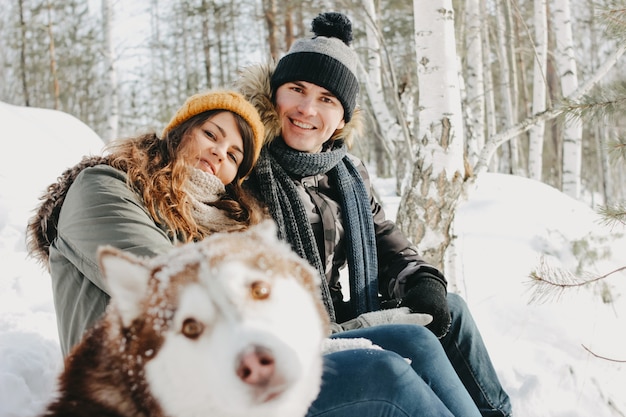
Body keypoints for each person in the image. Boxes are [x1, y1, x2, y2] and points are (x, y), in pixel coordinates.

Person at [27, 90, 480, 417]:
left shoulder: (222, 222)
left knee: (415, 339)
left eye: (233, 154)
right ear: (180, 132)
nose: (218, 154)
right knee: (383, 375)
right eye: (211, 134)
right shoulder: (106, 186)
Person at [236, 12, 513, 417]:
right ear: (273, 93)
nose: (307, 108)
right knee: (407, 353)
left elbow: (388, 243)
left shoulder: (347, 174)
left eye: (327, 100)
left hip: (335, 317)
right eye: (296, 89)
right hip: (284, 339)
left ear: (342, 120)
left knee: (452, 312)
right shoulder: (244, 164)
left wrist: (423, 282)